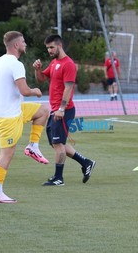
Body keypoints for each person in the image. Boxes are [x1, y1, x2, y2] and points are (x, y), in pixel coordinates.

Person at [0, 31, 49, 204]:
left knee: (43, 111)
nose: (25, 44)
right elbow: (25, 91)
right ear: (16, 45)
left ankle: (33, 146)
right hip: (8, 118)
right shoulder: (16, 64)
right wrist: (35, 91)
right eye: (23, 42)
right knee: (6, 155)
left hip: (15, 110)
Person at [33, 34, 96, 186]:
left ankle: (58, 178)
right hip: (55, 110)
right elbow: (41, 79)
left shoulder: (68, 64)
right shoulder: (55, 62)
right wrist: (37, 69)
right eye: (47, 48)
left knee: (58, 144)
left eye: (51, 47)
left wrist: (61, 109)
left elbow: (69, 88)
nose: (49, 50)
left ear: (59, 46)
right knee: (57, 143)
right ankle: (86, 163)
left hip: (63, 110)